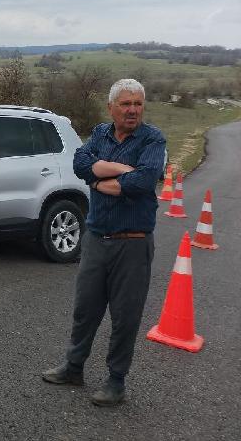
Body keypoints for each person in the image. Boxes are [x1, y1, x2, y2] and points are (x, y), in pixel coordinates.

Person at [42, 78, 166, 407]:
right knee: (85, 309)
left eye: (138, 104)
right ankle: (74, 367)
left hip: (133, 243)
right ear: (111, 107)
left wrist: (96, 181)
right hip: (96, 239)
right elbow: (79, 164)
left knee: (125, 317)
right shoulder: (99, 133)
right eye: (125, 104)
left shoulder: (153, 139)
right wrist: (115, 173)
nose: (132, 110)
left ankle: (116, 381)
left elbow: (142, 181)